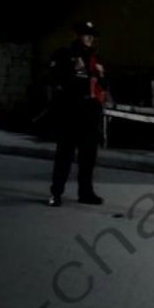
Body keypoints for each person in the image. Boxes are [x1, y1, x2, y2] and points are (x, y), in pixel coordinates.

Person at [47, 21, 108, 207]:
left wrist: (101, 77)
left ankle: (86, 193)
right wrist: (77, 73)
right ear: (76, 35)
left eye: (92, 35)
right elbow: (55, 78)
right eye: (85, 34)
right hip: (71, 110)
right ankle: (56, 193)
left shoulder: (96, 58)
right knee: (64, 154)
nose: (90, 38)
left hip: (90, 111)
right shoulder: (65, 54)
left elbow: (103, 85)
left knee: (88, 156)